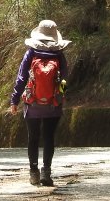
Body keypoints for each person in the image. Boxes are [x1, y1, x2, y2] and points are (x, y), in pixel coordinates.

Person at [8, 19, 70, 187]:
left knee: (33, 137)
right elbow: (64, 80)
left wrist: (14, 100)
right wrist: (59, 96)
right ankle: (46, 172)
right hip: (53, 104)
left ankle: (34, 172)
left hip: (32, 102)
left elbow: (21, 78)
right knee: (49, 137)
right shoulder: (59, 54)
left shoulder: (31, 53)